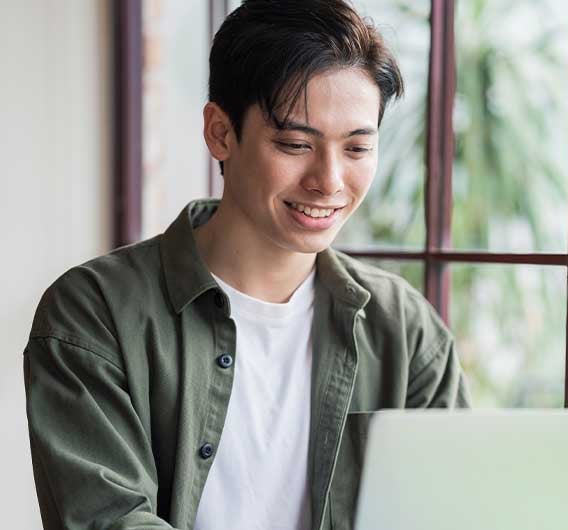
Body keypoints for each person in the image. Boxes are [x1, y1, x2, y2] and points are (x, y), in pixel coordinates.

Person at [22, 1, 470, 529]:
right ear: (220, 132)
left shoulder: (404, 329)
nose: (328, 181)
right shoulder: (94, 315)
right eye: (295, 144)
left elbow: (450, 509)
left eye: (356, 148)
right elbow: (108, 519)